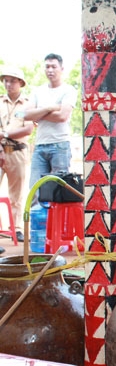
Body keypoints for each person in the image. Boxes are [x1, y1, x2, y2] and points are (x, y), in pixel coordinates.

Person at [24, 53, 78, 191]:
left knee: (58, 189)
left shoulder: (69, 90)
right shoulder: (37, 91)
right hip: (40, 145)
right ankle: (37, 213)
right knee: (35, 188)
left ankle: (56, 214)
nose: (50, 70)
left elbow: (62, 116)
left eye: (54, 66)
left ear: (62, 68)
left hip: (60, 145)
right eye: (47, 67)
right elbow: (26, 114)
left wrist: (39, 113)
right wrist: (49, 108)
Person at [0, 67, 34, 245]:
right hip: (0, 150)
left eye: (12, 80)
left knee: (17, 194)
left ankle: (17, 229)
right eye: (6, 80)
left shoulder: (28, 104)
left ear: (20, 83)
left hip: (18, 151)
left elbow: (28, 129)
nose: (8, 83)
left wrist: (5, 134)